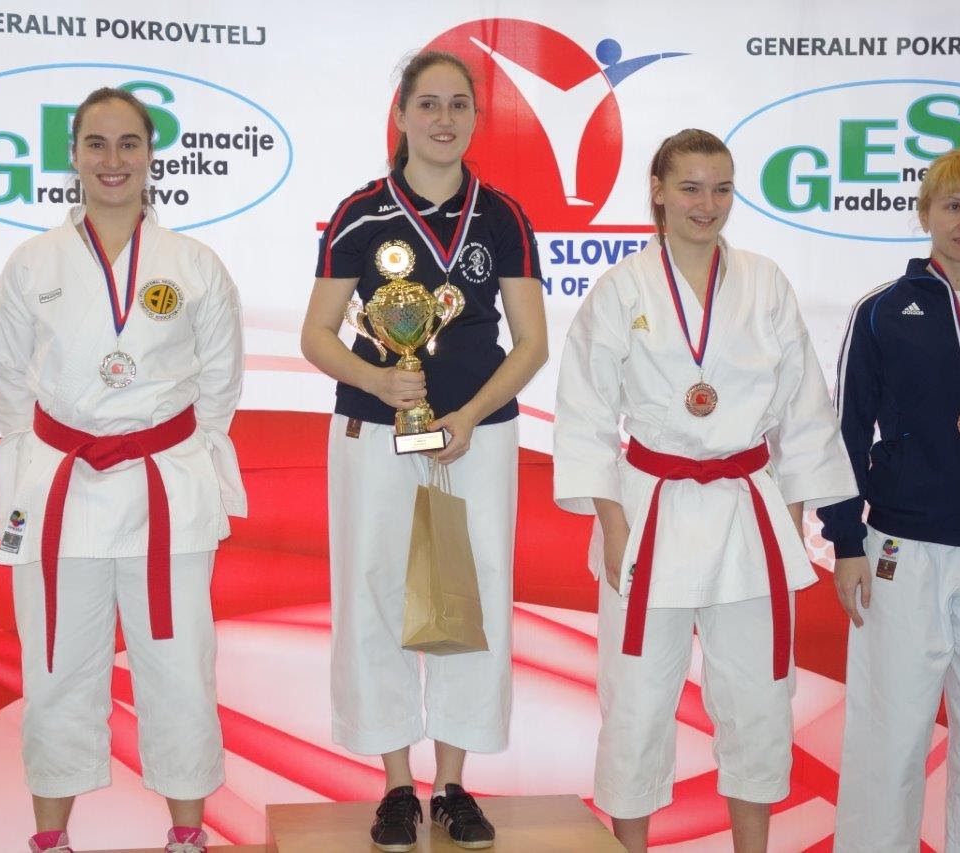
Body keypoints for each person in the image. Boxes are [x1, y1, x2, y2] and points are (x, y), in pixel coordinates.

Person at [553, 129, 856, 853]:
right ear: (658, 191)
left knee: (758, 699)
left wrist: (788, 518)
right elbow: (586, 414)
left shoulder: (765, 283)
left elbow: (803, 408)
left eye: (721, 189)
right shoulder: (621, 288)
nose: (706, 204)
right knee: (635, 699)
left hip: (745, 510)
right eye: (690, 187)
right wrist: (613, 525)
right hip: (650, 510)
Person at [0, 86, 246, 853]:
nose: (112, 160)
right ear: (72, 155)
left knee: (180, 666)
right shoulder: (32, 264)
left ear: (150, 155)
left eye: (128, 143)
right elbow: (8, 384)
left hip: (165, 487)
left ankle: (188, 833)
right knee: (57, 667)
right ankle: (52, 838)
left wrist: (163, 446)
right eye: (96, 144)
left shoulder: (194, 265)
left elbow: (220, 386)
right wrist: (54, 451)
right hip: (62, 487)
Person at [300, 50, 547, 852]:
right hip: (376, 432)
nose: (444, 119)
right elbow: (316, 334)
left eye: (459, 105)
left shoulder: (502, 217)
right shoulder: (358, 214)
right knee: (375, 590)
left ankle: (453, 785)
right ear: (401, 115)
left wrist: (471, 413)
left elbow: (532, 342)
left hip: (479, 434)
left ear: (476, 118)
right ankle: (396, 786)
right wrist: (378, 378)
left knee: (468, 601)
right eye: (429, 104)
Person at [821, 147, 960, 853]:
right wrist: (845, 540)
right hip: (901, 550)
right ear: (925, 215)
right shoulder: (882, 311)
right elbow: (844, 431)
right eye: (953, 206)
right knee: (889, 734)